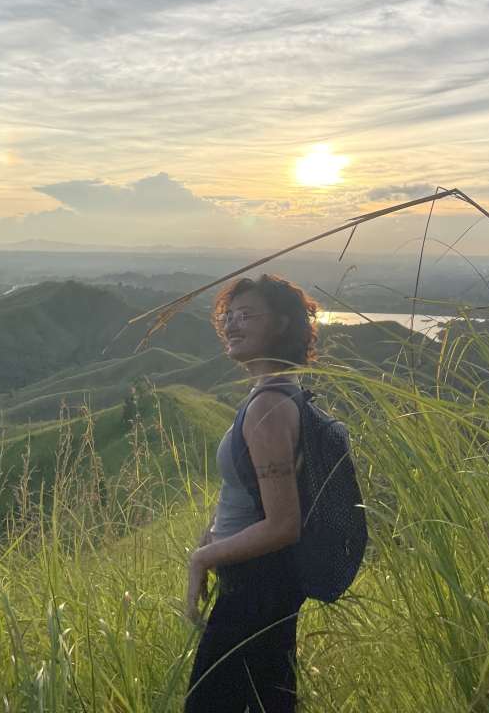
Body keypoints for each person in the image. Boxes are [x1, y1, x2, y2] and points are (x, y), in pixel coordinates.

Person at [184, 273, 319, 713]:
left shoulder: (268, 407)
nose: (232, 324)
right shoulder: (273, 396)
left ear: (280, 324)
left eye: (246, 315)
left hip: (256, 589)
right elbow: (249, 490)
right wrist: (212, 533)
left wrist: (203, 557)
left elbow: (283, 524)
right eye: (229, 315)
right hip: (263, 585)